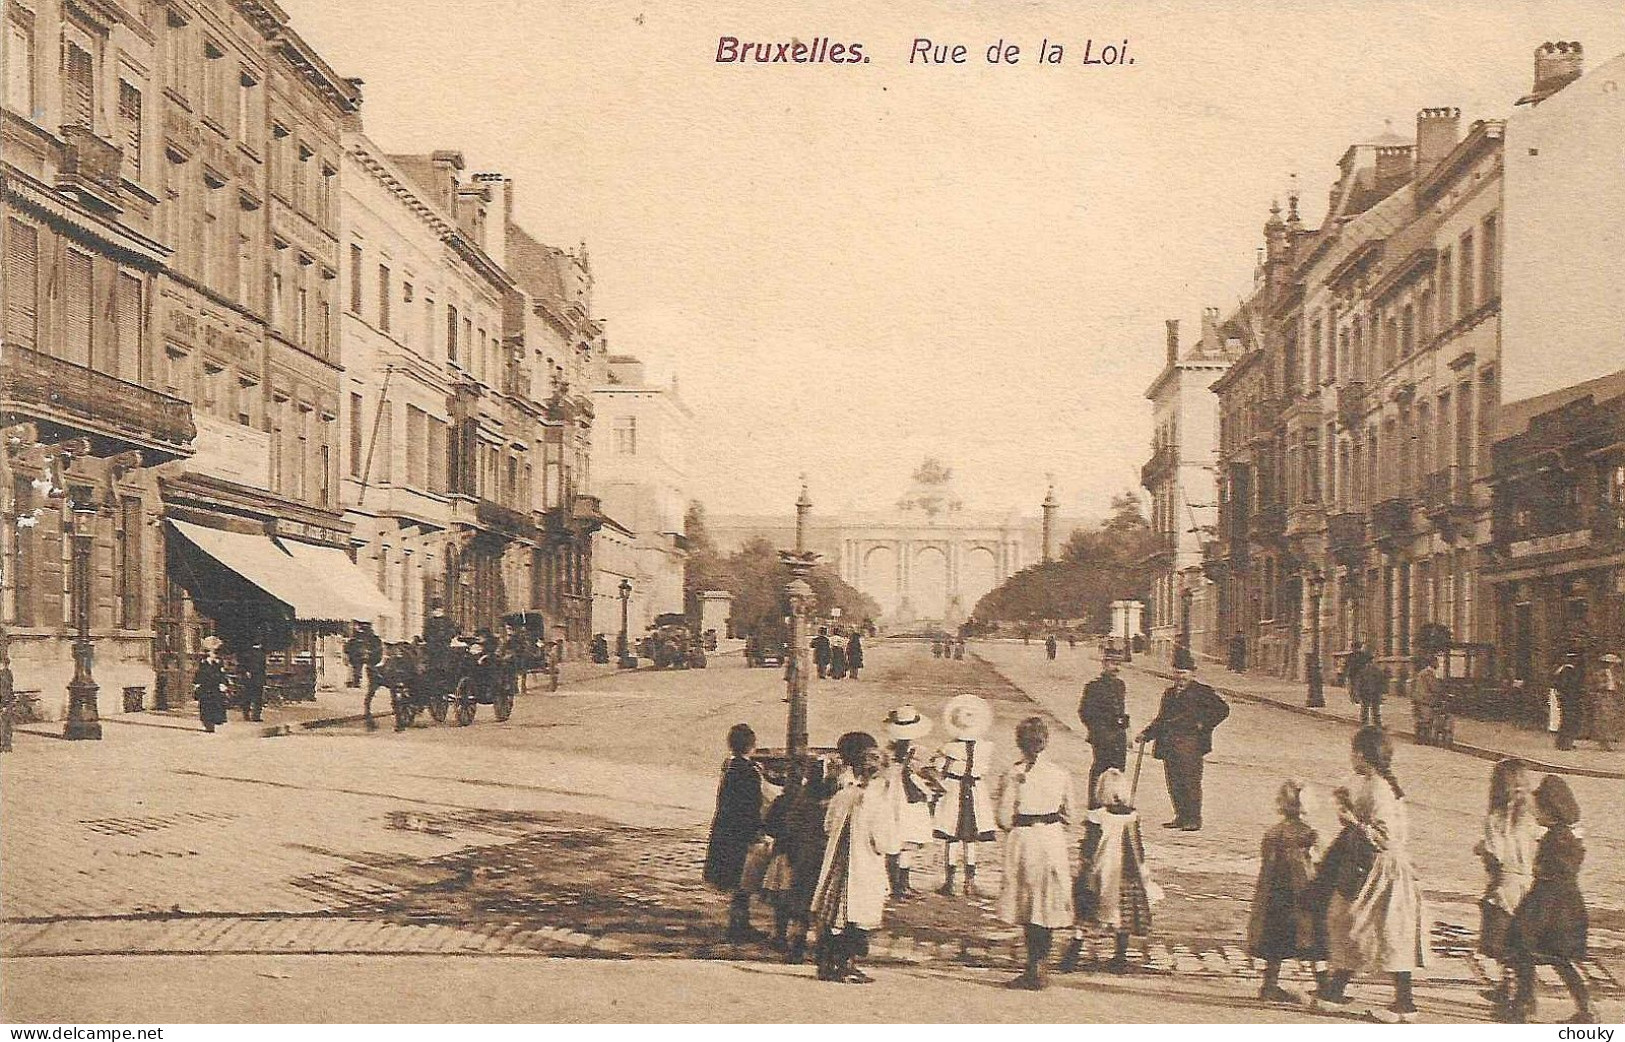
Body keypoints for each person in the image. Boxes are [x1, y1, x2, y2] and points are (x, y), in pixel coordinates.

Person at [1313, 727, 1427, 1023]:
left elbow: (1384, 836)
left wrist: (1352, 820)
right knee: (1366, 928)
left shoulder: (1379, 788)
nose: (1351, 757)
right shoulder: (1375, 782)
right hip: (1375, 866)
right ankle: (1337, 991)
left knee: (1366, 926)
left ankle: (1404, 1004)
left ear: (1363, 755)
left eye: (1353, 752)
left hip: (1380, 869)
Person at [1503, 775, 1594, 1024]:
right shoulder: (1567, 834)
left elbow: (1555, 872)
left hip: (1549, 905)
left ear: (1551, 811)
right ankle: (1586, 1010)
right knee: (1561, 960)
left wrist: (1540, 874)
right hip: (1564, 906)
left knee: (1524, 949)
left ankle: (1523, 1005)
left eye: (1539, 810)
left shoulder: (1558, 838)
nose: (1535, 815)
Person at [996, 717, 1078, 990]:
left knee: (1029, 902)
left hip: (1025, 838)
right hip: (1052, 839)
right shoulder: (1060, 773)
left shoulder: (1013, 774)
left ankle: (1034, 966)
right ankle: (1041, 964)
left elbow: (1004, 817)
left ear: (1020, 743)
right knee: (1048, 900)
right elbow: (1071, 814)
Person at [810, 731, 896, 984]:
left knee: (834, 911)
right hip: (864, 866)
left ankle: (827, 963)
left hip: (837, 863)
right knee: (856, 914)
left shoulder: (843, 795)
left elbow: (827, 826)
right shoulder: (877, 802)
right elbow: (886, 843)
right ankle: (846, 963)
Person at [1066, 767, 1155, 973]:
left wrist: (1084, 864)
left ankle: (1073, 953)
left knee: (1086, 910)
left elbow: (1089, 846)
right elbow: (1138, 847)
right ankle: (1120, 956)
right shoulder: (1132, 816)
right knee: (1122, 913)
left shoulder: (1097, 816)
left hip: (1101, 868)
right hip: (1126, 870)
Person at [1247, 779, 1323, 1002]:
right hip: (1301, 894)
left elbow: (1266, 866)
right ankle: (1324, 985)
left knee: (1275, 941)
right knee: (1313, 939)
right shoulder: (1309, 834)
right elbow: (1317, 863)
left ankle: (1269, 985)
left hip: (1274, 894)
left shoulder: (1272, 833)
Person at [1474, 758, 1539, 1009]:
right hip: (1531, 884)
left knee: (1501, 941)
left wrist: (1482, 851)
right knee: (1524, 941)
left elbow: (1495, 857)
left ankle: (1514, 995)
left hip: (1505, 885)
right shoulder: (1534, 814)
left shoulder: (1498, 818)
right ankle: (1523, 992)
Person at [1138, 666, 1230, 831]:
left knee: (1190, 781)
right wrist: (1147, 734)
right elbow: (1161, 719)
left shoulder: (1202, 692)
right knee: (1174, 781)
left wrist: (1204, 724)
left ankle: (1193, 819)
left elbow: (1222, 710)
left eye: (1184, 673)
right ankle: (1180, 816)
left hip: (1191, 743)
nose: (1180, 677)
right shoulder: (1169, 694)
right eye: (1178, 672)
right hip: (1169, 743)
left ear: (1193, 674)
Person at [702, 723, 771, 943]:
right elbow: (752, 805)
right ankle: (738, 926)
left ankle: (738, 924)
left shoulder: (729, 767)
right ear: (752, 745)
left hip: (726, 830)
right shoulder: (749, 772)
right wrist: (759, 830)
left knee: (736, 879)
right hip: (741, 833)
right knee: (744, 880)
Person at [931, 694, 997, 896]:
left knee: (952, 836)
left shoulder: (950, 747)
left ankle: (950, 882)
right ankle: (970, 881)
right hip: (975, 791)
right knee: (970, 838)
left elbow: (938, 769)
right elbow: (983, 769)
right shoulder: (985, 747)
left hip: (954, 790)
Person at [882, 705, 941, 899]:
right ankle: (902, 883)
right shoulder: (918, 751)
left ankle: (893, 883)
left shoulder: (888, 751)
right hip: (909, 796)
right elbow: (928, 774)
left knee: (893, 836)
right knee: (908, 837)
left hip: (890, 793)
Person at [1078, 658, 1130, 805]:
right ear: (1104, 664)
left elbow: (1121, 710)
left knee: (1118, 770)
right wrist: (1099, 730)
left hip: (1119, 736)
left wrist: (1126, 729)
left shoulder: (1120, 685)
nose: (1117, 668)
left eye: (1119, 664)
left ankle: (1114, 802)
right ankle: (1095, 804)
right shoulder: (1093, 687)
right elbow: (1084, 712)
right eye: (1113, 664)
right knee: (1100, 769)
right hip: (1102, 736)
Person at [1411, 652, 1448, 746]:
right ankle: (1424, 740)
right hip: (1425, 700)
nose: (1439, 664)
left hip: (1419, 699)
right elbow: (1434, 688)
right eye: (1437, 662)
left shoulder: (1423, 672)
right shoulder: (1428, 674)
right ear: (1432, 663)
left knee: (1421, 720)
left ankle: (1419, 739)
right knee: (1426, 720)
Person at [1552, 645, 1585, 751]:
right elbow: (1567, 685)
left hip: (1566, 698)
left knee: (1566, 719)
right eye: (1575, 658)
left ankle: (1563, 742)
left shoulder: (1561, 669)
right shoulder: (1568, 670)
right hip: (1570, 699)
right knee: (1569, 720)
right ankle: (1565, 743)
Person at [1589, 652, 1622, 752]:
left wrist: (1618, 684)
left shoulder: (1614, 674)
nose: (1612, 665)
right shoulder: (1600, 673)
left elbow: (1617, 684)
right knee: (1603, 718)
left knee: (1610, 718)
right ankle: (1603, 742)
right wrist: (1606, 684)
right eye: (1611, 663)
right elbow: (1596, 685)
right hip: (1602, 696)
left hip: (1611, 696)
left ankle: (1608, 740)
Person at [194, 641, 230, 733]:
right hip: (205, 688)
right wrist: (197, 684)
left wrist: (223, 684)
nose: (213, 655)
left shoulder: (218, 663)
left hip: (215, 688)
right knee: (206, 707)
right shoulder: (203, 663)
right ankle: (207, 724)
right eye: (211, 653)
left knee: (215, 706)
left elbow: (222, 675)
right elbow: (198, 675)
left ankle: (213, 723)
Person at [1345, 641, 1382, 728]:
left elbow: (1381, 681)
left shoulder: (1369, 668)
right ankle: (1373, 724)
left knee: (1369, 707)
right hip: (1364, 684)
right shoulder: (1373, 669)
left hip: (1364, 684)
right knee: (1370, 708)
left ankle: (1369, 724)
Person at [238, 635, 266, 723]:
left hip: (254, 678)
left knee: (251, 697)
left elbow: (262, 667)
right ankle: (254, 715)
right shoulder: (257, 653)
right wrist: (246, 671)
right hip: (253, 678)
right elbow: (243, 666)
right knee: (253, 697)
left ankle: (251, 715)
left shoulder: (251, 653)